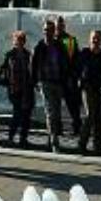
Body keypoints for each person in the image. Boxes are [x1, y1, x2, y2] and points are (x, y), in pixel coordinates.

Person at [32, 17, 72, 153]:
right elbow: (33, 64)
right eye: (45, 30)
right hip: (45, 82)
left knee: (57, 111)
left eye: (49, 30)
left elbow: (66, 63)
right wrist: (35, 81)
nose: (47, 32)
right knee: (50, 111)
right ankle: (54, 140)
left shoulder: (60, 45)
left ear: (54, 31)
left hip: (58, 81)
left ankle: (51, 137)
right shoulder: (39, 46)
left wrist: (67, 79)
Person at [76, 29, 101, 161]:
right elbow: (77, 69)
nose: (96, 40)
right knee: (90, 114)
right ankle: (81, 143)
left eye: (98, 38)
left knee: (100, 117)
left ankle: (98, 146)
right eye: (93, 38)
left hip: (100, 87)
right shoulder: (84, 53)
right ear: (90, 39)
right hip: (87, 87)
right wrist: (77, 80)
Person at [0, 30, 36, 147]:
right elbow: (3, 68)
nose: (20, 42)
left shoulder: (28, 55)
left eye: (22, 39)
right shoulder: (9, 55)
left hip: (27, 88)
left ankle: (23, 138)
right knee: (17, 113)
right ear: (14, 41)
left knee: (26, 114)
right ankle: (11, 137)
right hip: (15, 88)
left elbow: (32, 71)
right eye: (18, 39)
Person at [54, 15, 83, 136]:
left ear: (64, 26)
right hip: (55, 78)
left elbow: (76, 59)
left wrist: (74, 75)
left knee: (73, 106)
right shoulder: (51, 39)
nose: (59, 27)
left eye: (61, 25)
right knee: (55, 106)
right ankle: (57, 129)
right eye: (57, 25)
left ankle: (77, 127)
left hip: (68, 77)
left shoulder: (69, 40)